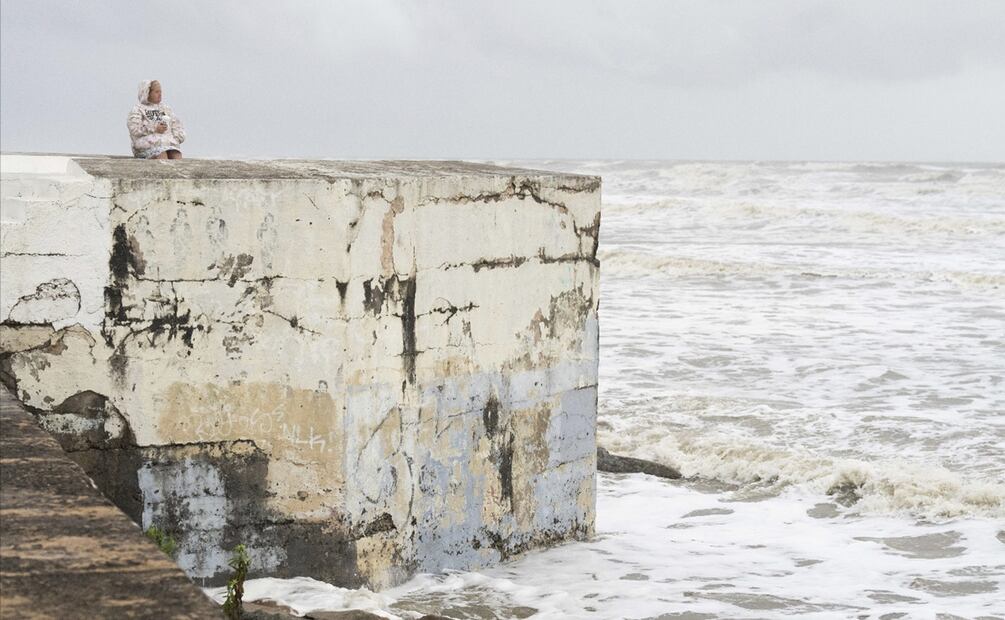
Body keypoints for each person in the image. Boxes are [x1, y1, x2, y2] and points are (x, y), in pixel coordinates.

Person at [127, 80, 185, 159]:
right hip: (147, 145)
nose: (160, 94)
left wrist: (175, 138)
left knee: (176, 154)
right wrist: (154, 128)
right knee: (161, 154)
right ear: (147, 93)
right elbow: (134, 130)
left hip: (167, 143)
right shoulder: (138, 109)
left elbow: (176, 125)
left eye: (160, 92)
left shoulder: (165, 109)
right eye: (156, 92)